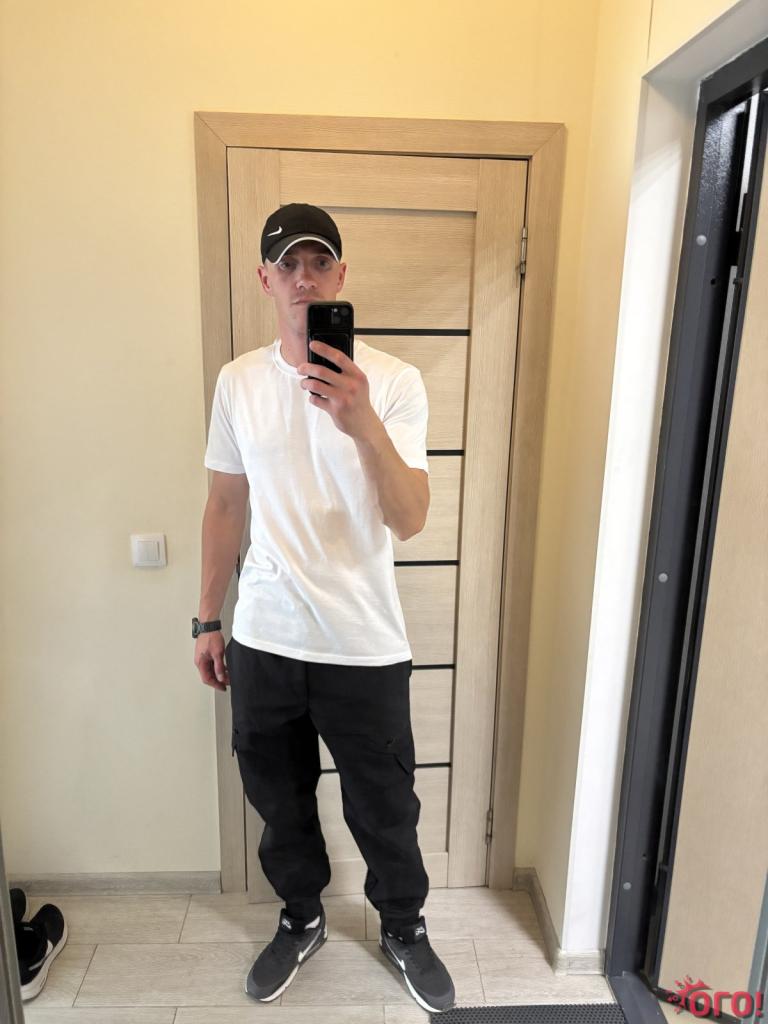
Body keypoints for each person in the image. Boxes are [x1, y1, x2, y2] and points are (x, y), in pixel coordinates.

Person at [193, 203, 456, 1013]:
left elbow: (410, 518)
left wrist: (360, 420)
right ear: (265, 279)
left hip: (363, 642)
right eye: (288, 265)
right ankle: (302, 915)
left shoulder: (395, 384)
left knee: (386, 808)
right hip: (265, 637)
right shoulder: (239, 381)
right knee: (279, 803)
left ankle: (403, 927)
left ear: (341, 275)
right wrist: (207, 618)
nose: (303, 278)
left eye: (318, 263)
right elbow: (225, 505)